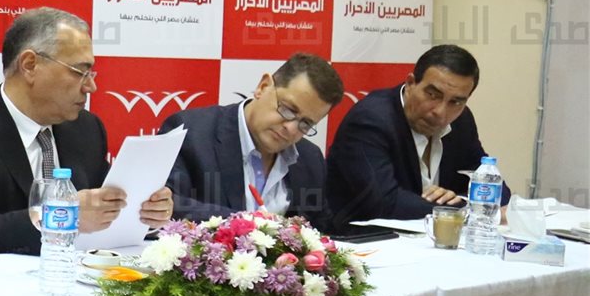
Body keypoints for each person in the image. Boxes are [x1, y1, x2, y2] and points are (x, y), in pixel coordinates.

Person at [0, 8, 173, 254]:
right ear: (30, 65)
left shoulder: (87, 128)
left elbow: (102, 210)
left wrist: (144, 213)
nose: (91, 87)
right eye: (79, 72)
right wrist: (62, 217)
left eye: (91, 73)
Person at [326, 44, 510, 223]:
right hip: (361, 238)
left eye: (455, 102)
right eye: (433, 95)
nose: (440, 112)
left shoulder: (461, 121)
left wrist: (459, 200)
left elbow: (494, 187)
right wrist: (460, 209)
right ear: (410, 83)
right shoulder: (371, 119)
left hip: (428, 237)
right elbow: (384, 202)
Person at [158, 53, 344, 224]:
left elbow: (322, 230)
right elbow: (165, 205)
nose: (291, 128)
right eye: (288, 109)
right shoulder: (191, 133)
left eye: (306, 123)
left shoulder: (310, 158)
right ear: (263, 87)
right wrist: (254, 223)